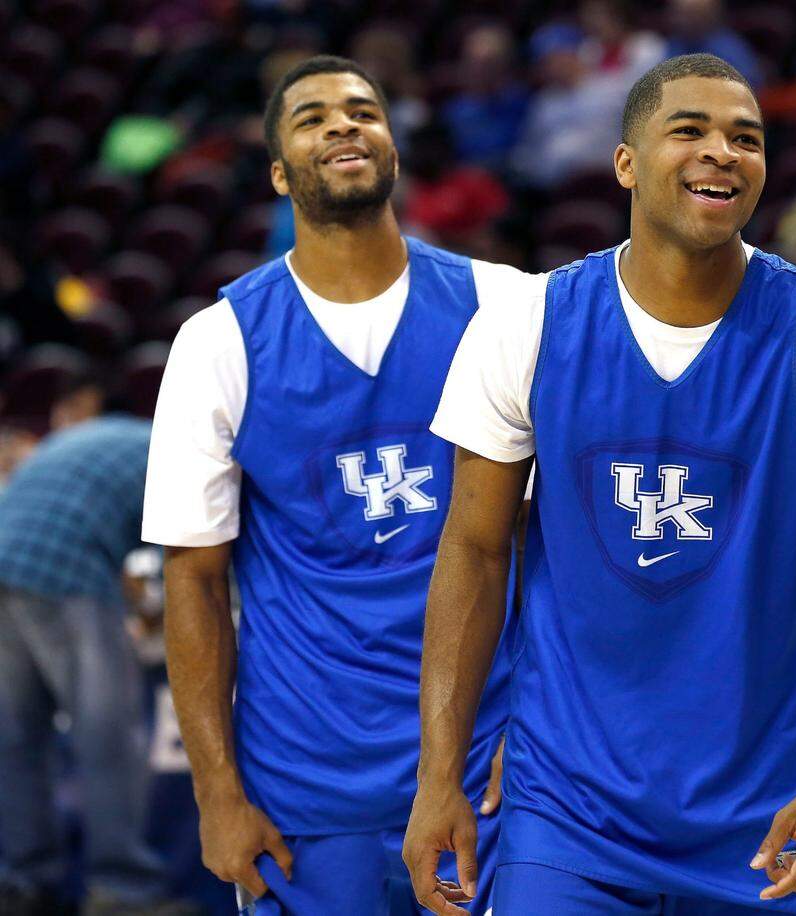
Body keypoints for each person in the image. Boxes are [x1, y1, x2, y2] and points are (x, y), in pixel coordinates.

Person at [404, 53, 796, 914]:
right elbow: (472, 552)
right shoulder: (526, 323)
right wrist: (440, 775)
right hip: (565, 810)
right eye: (688, 130)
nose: (721, 152)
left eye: (746, 139)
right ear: (625, 163)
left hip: (763, 822)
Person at [142, 55, 529, 915]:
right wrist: (216, 793)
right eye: (313, 117)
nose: (343, 125)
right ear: (280, 172)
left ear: (393, 148)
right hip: (303, 784)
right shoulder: (216, 342)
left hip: (486, 766)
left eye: (363, 111)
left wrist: (547, 722)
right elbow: (194, 577)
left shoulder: (506, 305)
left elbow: (556, 541)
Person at [0, 407, 195, 916]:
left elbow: (104, 535)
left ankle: (26, 882)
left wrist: (138, 605)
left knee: (20, 739)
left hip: (6, 561)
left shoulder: (114, 441)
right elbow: (194, 565)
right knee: (108, 735)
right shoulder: (187, 455)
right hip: (65, 572)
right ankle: (124, 890)